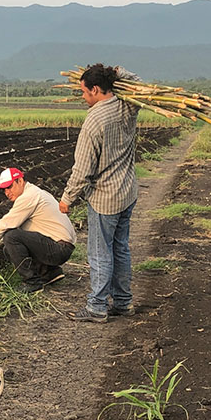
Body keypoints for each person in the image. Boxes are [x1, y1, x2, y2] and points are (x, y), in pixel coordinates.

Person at [57, 63, 141, 323]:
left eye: (84, 92)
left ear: (95, 89)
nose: (83, 97)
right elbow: (138, 84)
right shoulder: (127, 106)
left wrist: (67, 198)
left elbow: (82, 168)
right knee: (120, 248)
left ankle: (97, 306)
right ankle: (123, 302)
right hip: (127, 191)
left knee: (99, 252)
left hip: (105, 198)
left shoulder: (94, 120)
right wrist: (120, 72)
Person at [0, 167, 76, 293]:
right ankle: (50, 273)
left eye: (9, 187)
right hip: (60, 246)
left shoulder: (29, 196)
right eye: (4, 190)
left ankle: (32, 282)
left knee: (11, 237)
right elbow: (16, 227)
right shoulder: (35, 192)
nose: (7, 192)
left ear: (20, 181)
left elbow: (5, 224)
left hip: (59, 249)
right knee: (8, 248)